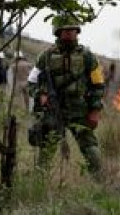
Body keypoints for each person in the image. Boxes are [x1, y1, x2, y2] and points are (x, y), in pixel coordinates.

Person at [27, 14, 105, 174]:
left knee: (91, 151)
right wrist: (40, 95)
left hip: (79, 110)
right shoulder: (45, 57)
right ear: (57, 32)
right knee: (46, 152)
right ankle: (39, 185)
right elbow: (32, 82)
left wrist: (95, 110)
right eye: (65, 30)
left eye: (73, 30)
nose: (69, 33)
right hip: (53, 111)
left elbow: (98, 85)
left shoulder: (87, 56)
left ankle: (101, 184)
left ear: (77, 32)